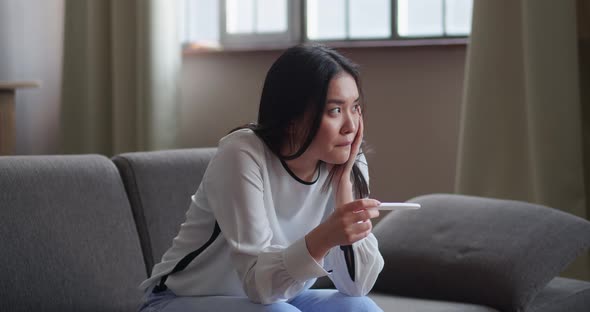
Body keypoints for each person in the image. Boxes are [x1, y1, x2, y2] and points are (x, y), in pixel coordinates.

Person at [138, 44, 384, 312]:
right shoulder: (243, 153)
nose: (351, 126)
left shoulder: (347, 160)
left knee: (360, 307)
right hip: (181, 300)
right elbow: (259, 284)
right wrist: (325, 237)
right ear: (292, 117)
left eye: (355, 107)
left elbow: (356, 286)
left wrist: (343, 190)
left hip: (280, 298)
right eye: (335, 111)